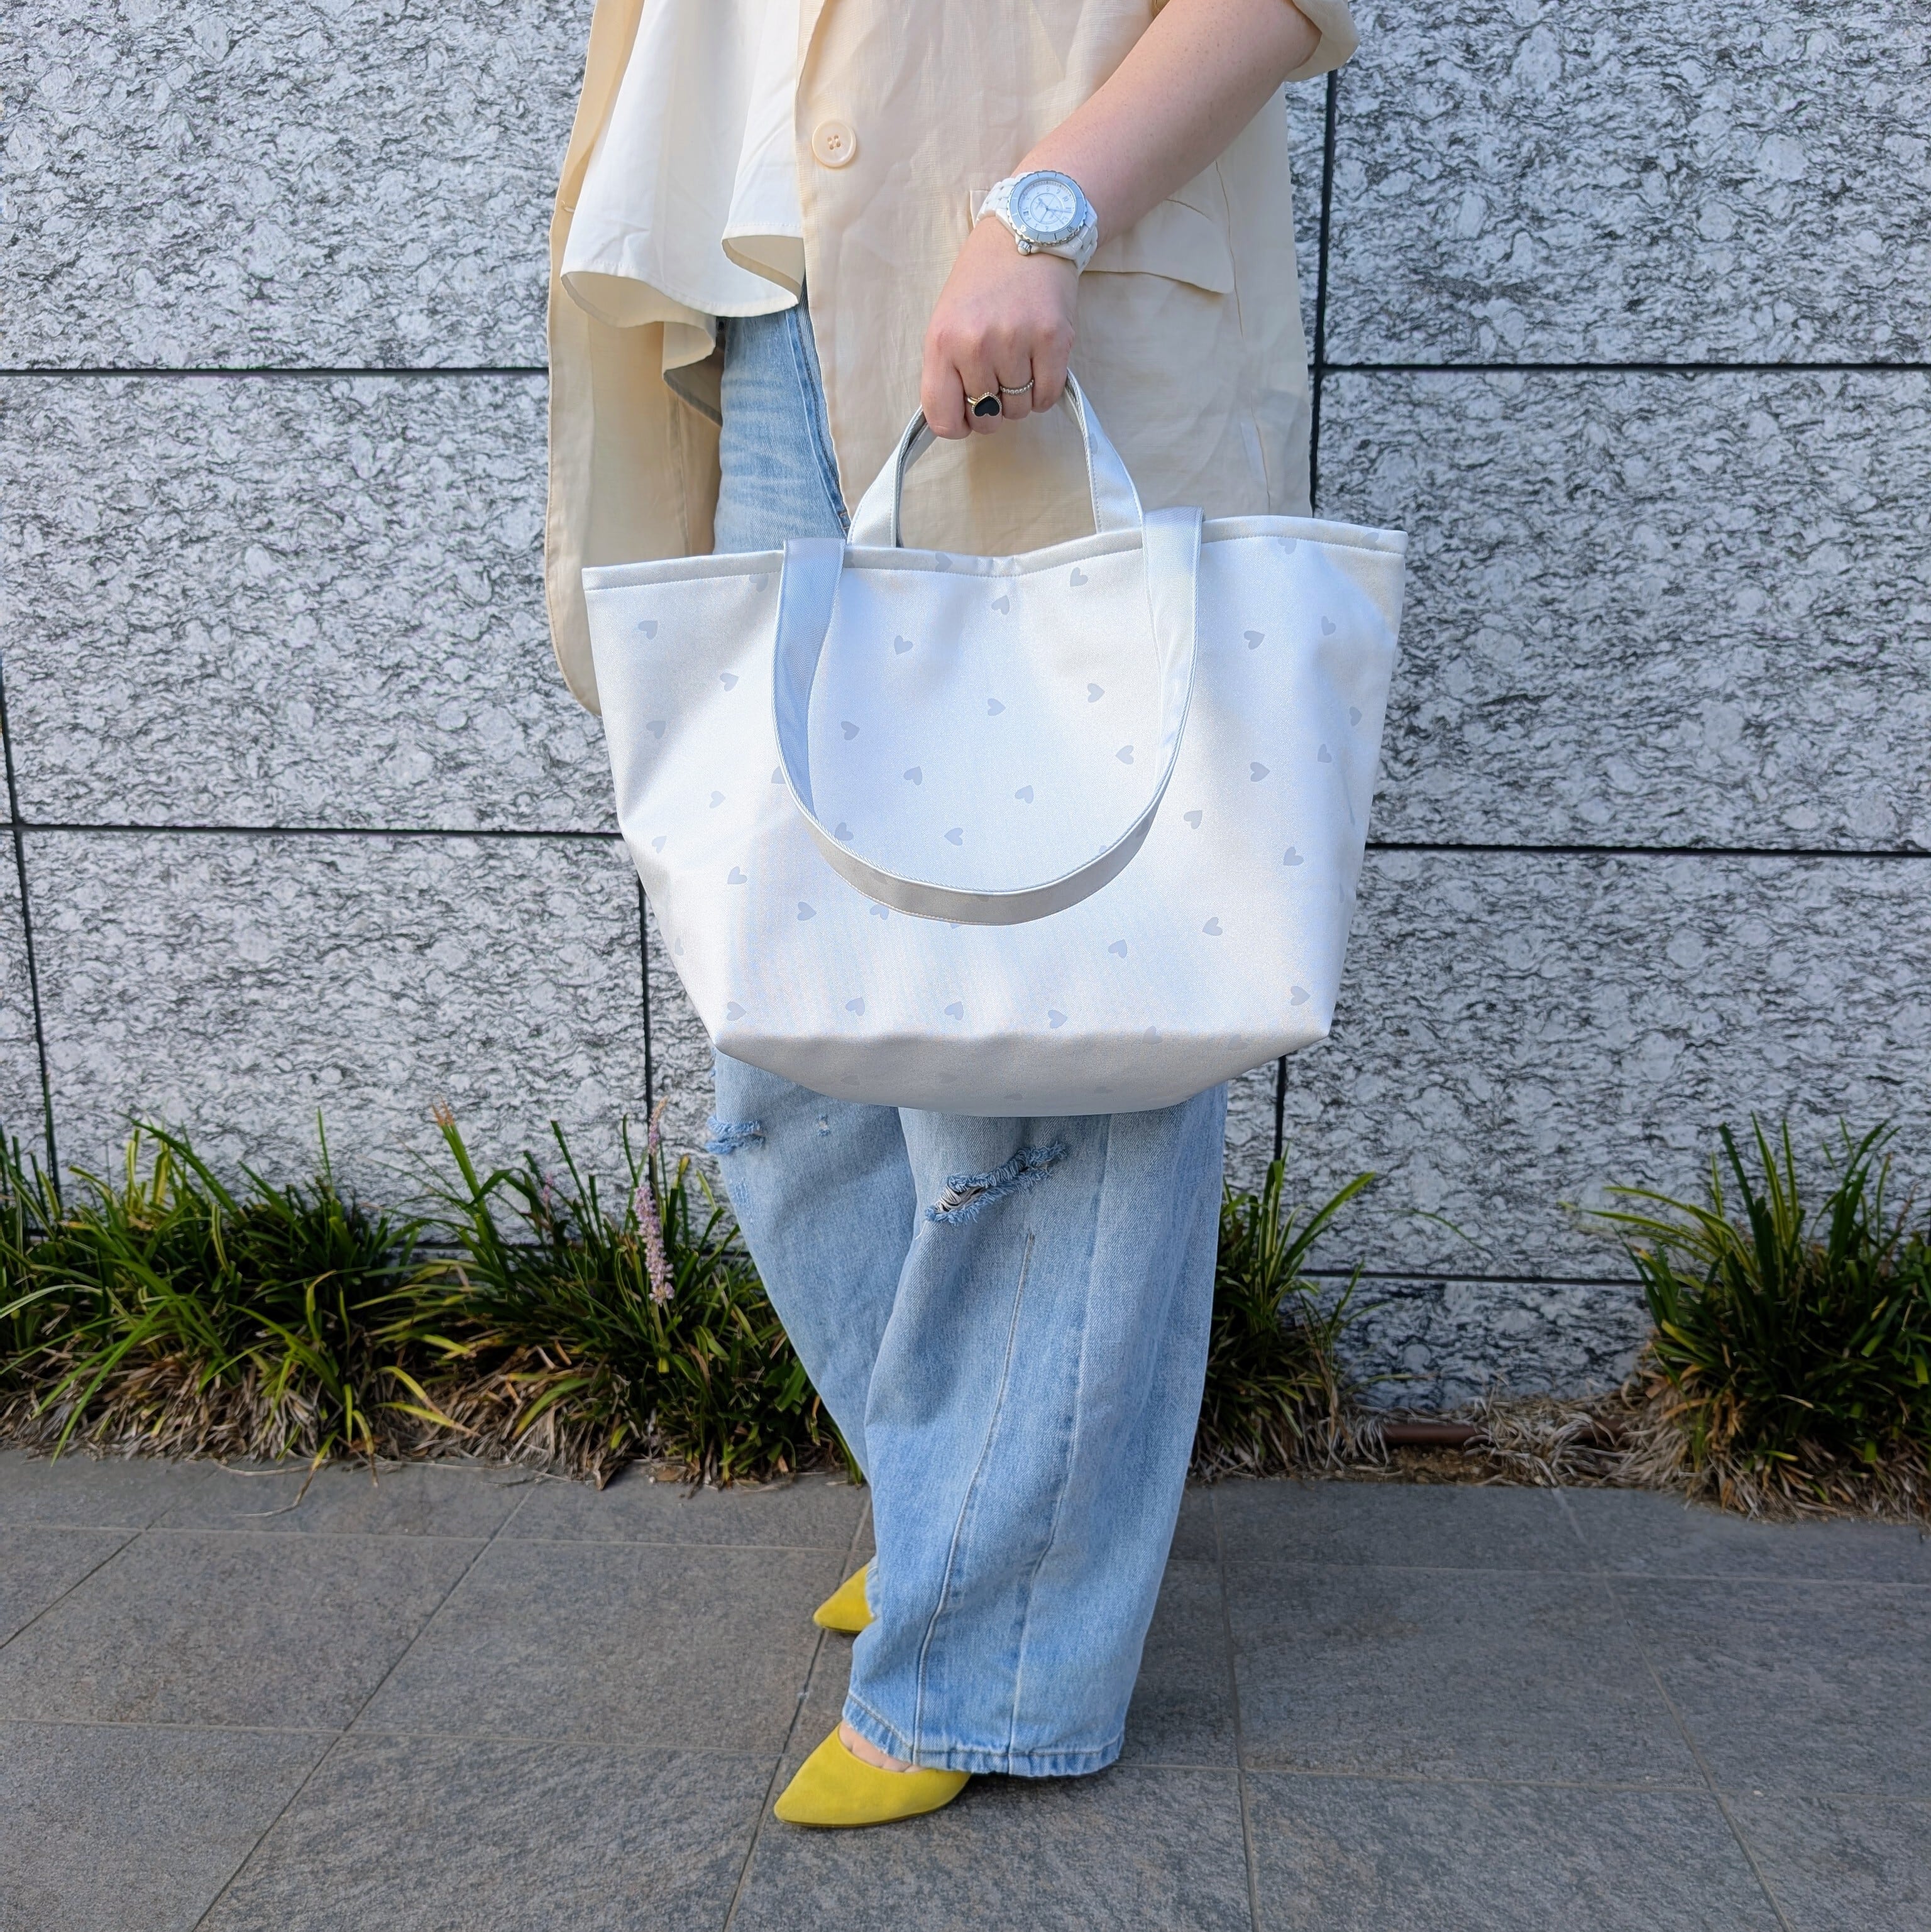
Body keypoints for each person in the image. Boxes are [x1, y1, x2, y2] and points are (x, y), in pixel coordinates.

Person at [547, 0, 1358, 1827]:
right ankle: (963, 1505)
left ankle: (993, 1653)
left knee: (1063, 1029)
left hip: (1023, 287)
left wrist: (1045, 208)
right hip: (751, 306)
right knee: (799, 1051)